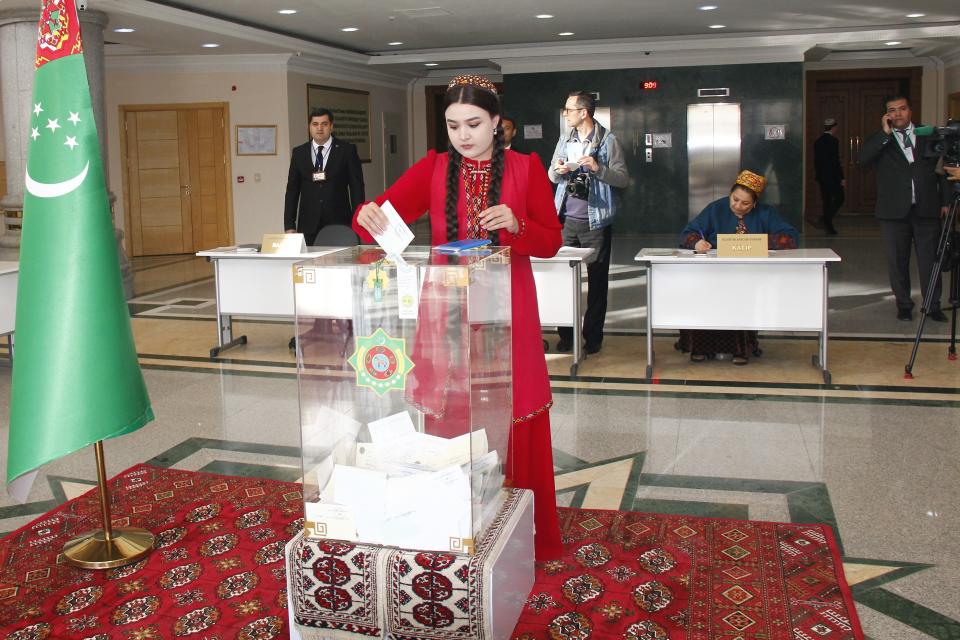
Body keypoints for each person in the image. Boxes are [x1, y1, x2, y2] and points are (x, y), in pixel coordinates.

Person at [354, 74, 563, 561]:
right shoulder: (432, 167)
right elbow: (381, 217)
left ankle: (520, 532)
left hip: (510, 311)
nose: (463, 135)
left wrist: (518, 224)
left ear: (496, 122)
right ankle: (454, 524)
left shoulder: (526, 168)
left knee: (515, 410)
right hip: (447, 313)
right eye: (452, 126)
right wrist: (367, 214)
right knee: (451, 409)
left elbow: (550, 241)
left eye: (474, 124)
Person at [676, 170, 799, 365]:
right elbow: (687, 234)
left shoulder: (766, 213)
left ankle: (741, 349)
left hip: (748, 275)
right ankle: (700, 347)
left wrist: (759, 242)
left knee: (741, 298)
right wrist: (697, 242)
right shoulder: (716, 209)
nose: (738, 206)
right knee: (703, 297)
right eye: (735, 199)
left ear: (755, 203)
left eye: (745, 203)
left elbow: (790, 238)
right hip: (714, 273)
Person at [548, 91, 629, 355]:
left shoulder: (608, 141)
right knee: (563, 279)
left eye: (569, 109)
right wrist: (559, 170)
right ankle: (567, 335)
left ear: (584, 112)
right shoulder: (565, 138)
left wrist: (597, 168)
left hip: (596, 221)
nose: (566, 113)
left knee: (597, 282)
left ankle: (593, 336)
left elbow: (622, 179)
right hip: (567, 220)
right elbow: (551, 175)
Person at [860, 95, 950, 323]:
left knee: (930, 260)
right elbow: (862, 160)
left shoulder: (928, 134)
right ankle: (903, 304)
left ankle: (933, 305)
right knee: (897, 260)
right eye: (892, 110)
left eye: (902, 109)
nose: (898, 114)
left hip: (927, 207)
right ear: (887, 115)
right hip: (892, 212)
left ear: (910, 110)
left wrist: (946, 201)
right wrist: (884, 134)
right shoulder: (881, 139)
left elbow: (944, 169)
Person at [284, 108, 365, 246]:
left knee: (340, 264)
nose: (319, 128)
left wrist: (357, 221)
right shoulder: (299, 153)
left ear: (331, 126)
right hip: (308, 224)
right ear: (309, 127)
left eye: (324, 124)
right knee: (310, 265)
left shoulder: (347, 150)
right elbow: (292, 190)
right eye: (315, 124)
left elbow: (356, 188)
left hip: (339, 223)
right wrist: (289, 225)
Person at [814, 117, 844, 235]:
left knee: (826, 200)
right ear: (834, 127)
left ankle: (826, 220)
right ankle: (827, 220)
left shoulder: (818, 141)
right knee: (840, 198)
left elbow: (817, 161)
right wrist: (841, 177)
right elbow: (835, 161)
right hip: (833, 177)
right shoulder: (834, 141)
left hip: (822, 177)